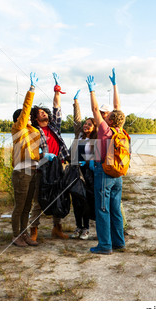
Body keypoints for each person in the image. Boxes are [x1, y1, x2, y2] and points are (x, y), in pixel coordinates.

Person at [86, 68, 126, 254]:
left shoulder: (105, 130)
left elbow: (95, 109)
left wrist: (92, 91)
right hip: (118, 174)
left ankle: (105, 246)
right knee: (115, 210)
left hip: (104, 173)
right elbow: (117, 107)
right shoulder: (121, 130)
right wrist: (115, 85)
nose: (105, 114)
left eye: (107, 114)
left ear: (109, 119)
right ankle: (119, 243)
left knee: (103, 210)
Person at [28, 72, 70, 241]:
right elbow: (32, 152)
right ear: (35, 117)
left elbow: (57, 109)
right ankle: (33, 230)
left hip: (58, 165)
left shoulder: (54, 127)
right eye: (40, 113)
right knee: (40, 200)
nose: (44, 114)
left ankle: (57, 228)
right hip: (43, 168)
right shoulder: (34, 131)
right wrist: (44, 155)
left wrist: (57, 91)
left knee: (58, 196)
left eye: (44, 112)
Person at [10, 72, 42, 247]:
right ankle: (16, 236)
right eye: (26, 116)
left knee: (27, 207)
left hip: (32, 171)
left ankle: (24, 235)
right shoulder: (18, 128)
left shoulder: (31, 131)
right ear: (19, 118)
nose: (30, 117)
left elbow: (34, 151)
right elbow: (25, 111)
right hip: (21, 172)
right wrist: (31, 90)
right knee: (20, 206)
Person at [69, 89, 97, 240]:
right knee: (76, 201)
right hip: (75, 172)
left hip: (88, 175)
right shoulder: (78, 135)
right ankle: (77, 227)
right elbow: (76, 119)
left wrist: (86, 162)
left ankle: (86, 228)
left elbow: (96, 157)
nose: (86, 126)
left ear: (94, 128)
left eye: (89, 124)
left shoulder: (96, 140)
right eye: (85, 124)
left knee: (85, 201)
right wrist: (76, 103)